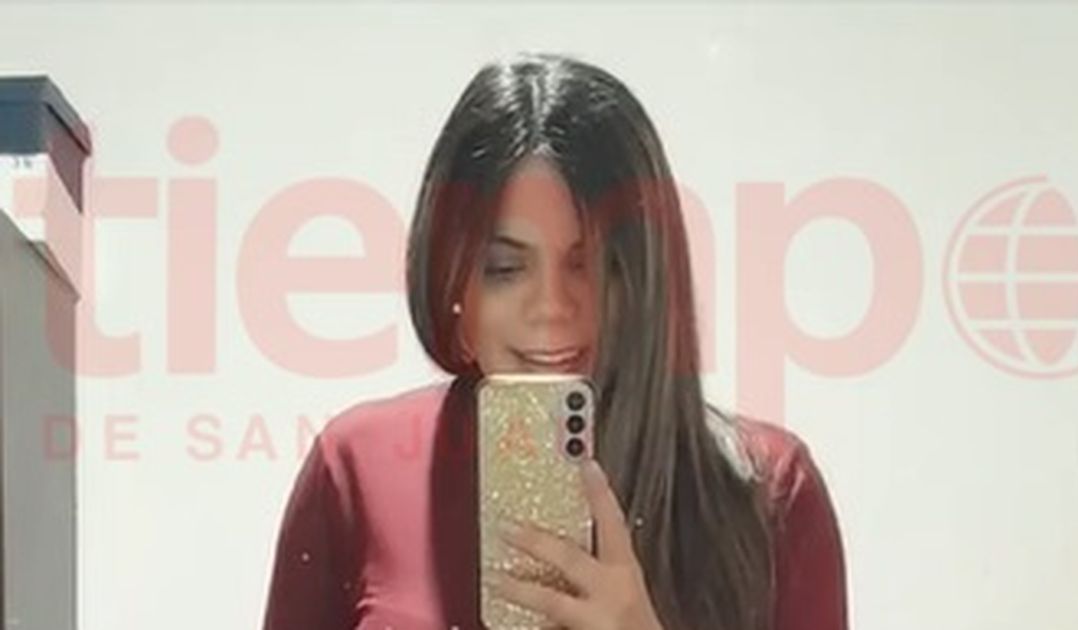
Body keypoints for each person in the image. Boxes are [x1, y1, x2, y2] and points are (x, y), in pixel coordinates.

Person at [262, 52, 847, 630]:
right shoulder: (356, 467)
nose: (551, 307)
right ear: (451, 279)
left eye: (590, 264)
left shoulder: (767, 492)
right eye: (504, 267)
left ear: (644, 277)